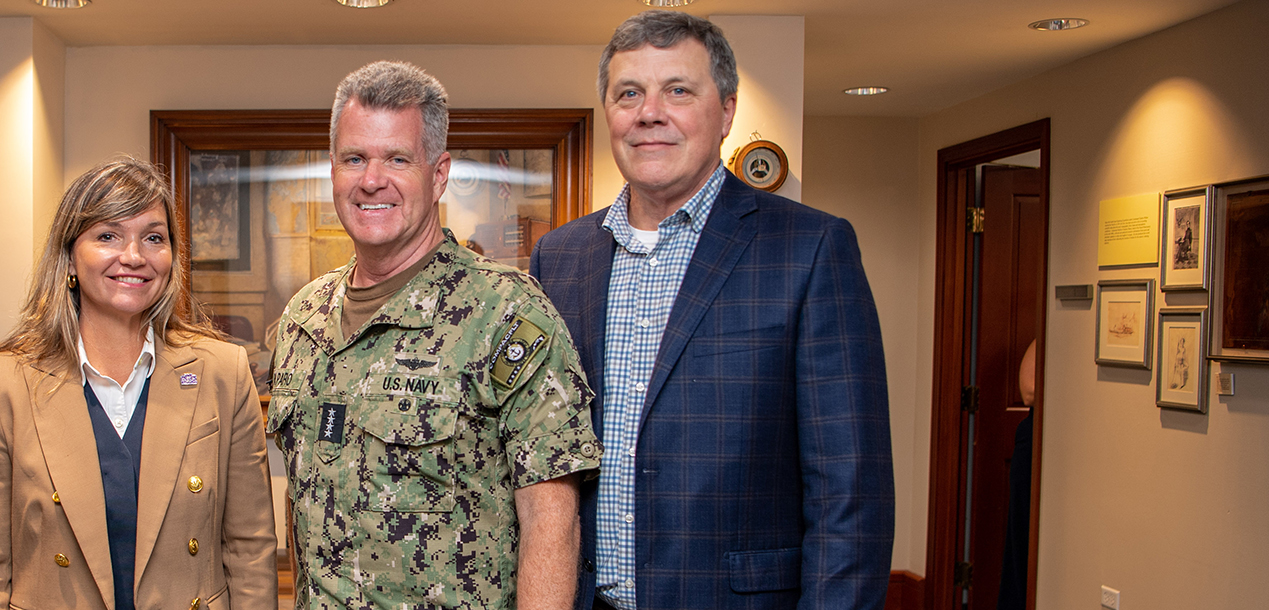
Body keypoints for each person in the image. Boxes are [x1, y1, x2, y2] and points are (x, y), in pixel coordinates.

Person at [529, 10, 895, 610]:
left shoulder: (809, 249)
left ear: (726, 111)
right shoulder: (560, 256)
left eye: (678, 90)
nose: (650, 112)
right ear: (609, 114)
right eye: (629, 93)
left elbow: (850, 496)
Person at [267, 60, 603, 610]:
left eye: (397, 158)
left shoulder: (507, 314)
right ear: (333, 170)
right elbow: (303, 501)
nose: (371, 179)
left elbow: (551, 519)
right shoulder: (304, 316)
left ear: (438, 173)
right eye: (355, 158)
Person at [0, 158, 277, 610]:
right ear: (69, 256)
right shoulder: (1, 383)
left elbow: (250, 551)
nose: (134, 256)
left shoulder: (223, 370)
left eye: (153, 238)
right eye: (107, 235)